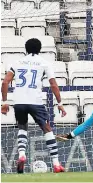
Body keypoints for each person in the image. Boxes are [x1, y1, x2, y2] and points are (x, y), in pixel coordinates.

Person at [1, 38, 66, 173]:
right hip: (35, 101)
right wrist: (60, 103)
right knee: (47, 129)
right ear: (39, 49)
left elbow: (5, 82)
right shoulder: (44, 63)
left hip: (19, 101)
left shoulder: (17, 62)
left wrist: (5, 102)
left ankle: (22, 155)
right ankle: (56, 164)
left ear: (26, 48)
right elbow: (53, 85)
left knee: (22, 127)